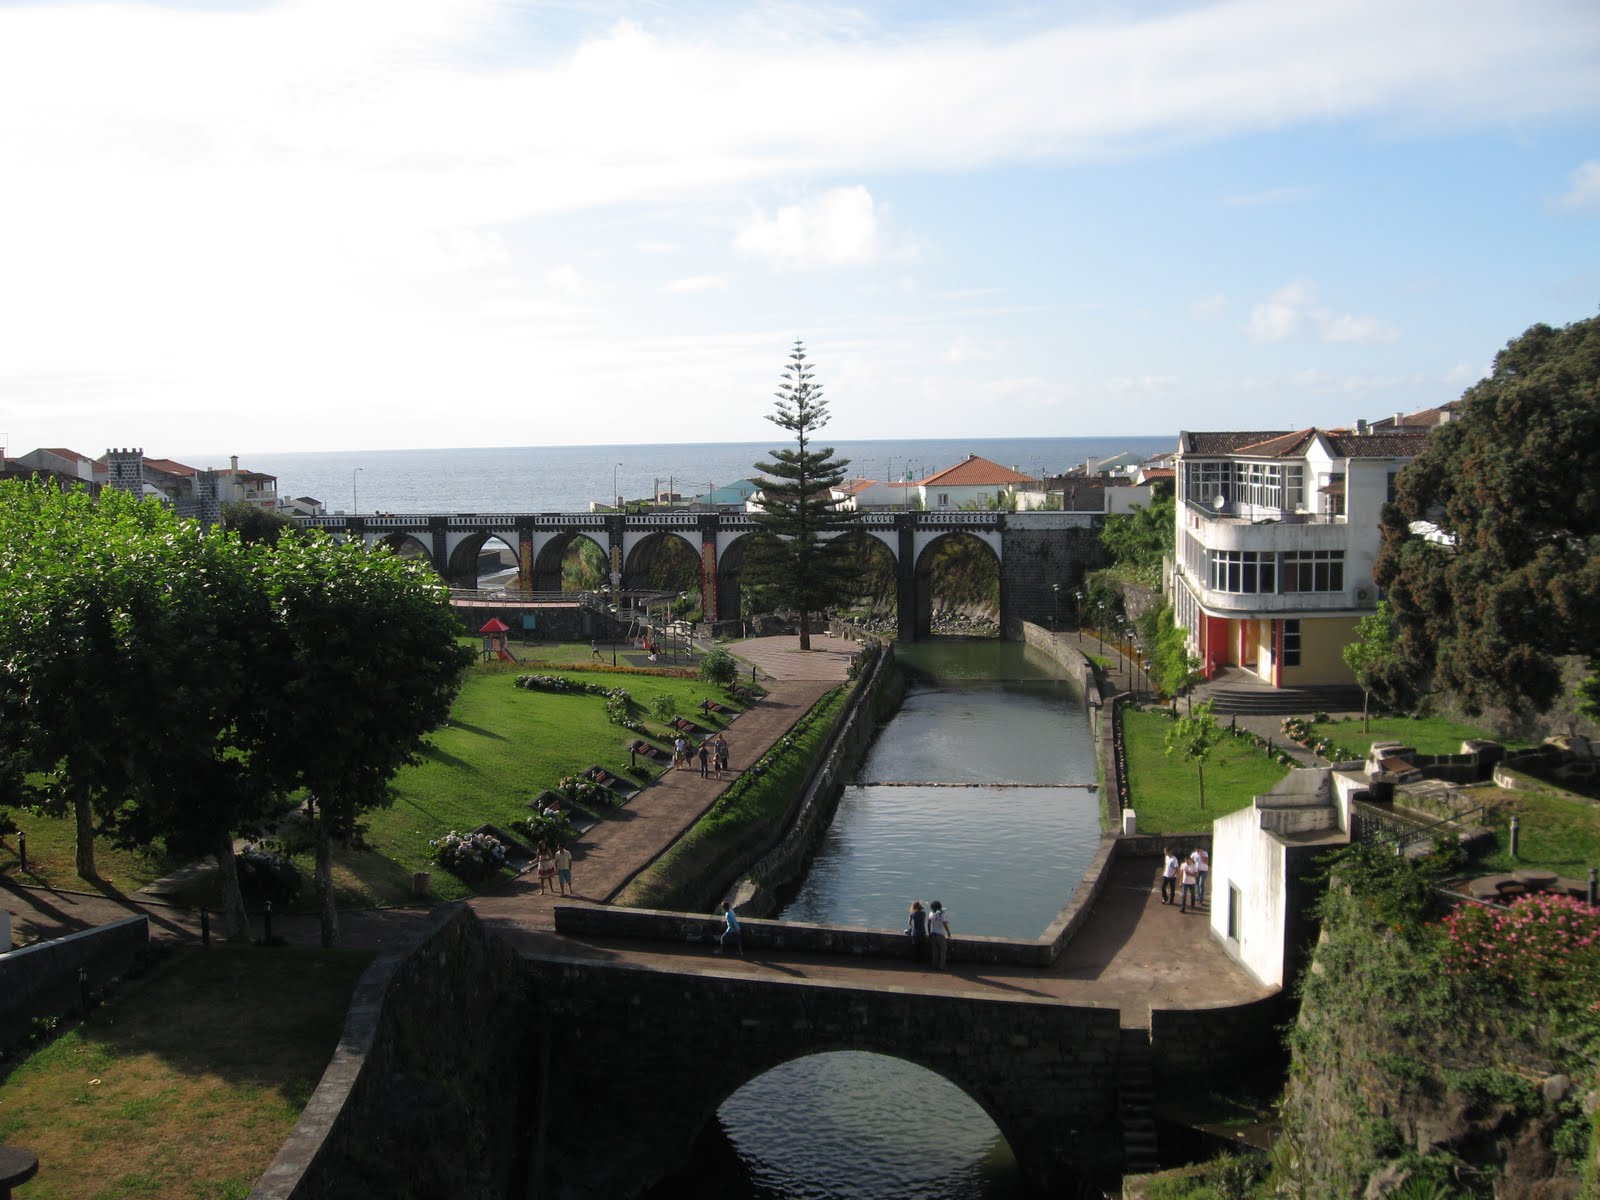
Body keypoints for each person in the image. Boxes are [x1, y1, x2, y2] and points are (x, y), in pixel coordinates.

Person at [927, 900, 951, 969]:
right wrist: (948, 932)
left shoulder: (931, 914)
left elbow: (928, 924)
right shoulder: (942, 915)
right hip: (940, 935)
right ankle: (941, 966)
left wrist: (929, 933)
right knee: (943, 951)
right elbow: (944, 924)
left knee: (935, 951)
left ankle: (934, 965)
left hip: (933, 934)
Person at [906, 899, 929, 963]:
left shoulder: (912, 914)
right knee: (922, 946)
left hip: (915, 932)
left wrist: (913, 927)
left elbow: (909, 923)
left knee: (916, 947)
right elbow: (924, 922)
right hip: (922, 931)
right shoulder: (923, 913)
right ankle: (922, 961)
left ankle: (916, 961)